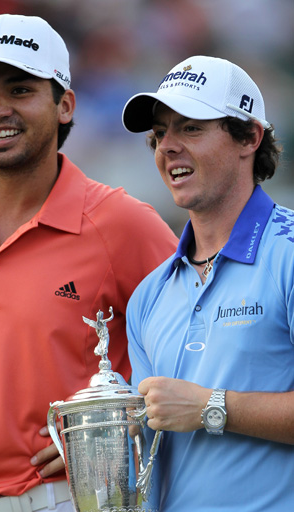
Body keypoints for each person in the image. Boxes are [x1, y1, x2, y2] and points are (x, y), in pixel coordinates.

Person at [0, 13, 178, 512]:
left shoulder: (121, 223)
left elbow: (197, 347)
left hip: (62, 500)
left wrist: (125, 425)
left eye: (19, 90)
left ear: (65, 105)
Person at [122, 55, 294, 511]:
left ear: (250, 137)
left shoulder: (291, 253)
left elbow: (194, 408)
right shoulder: (148, 295)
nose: (167, 147)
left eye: (190, 128)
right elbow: (149, 449)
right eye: (160, 133)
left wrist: (211, 408)